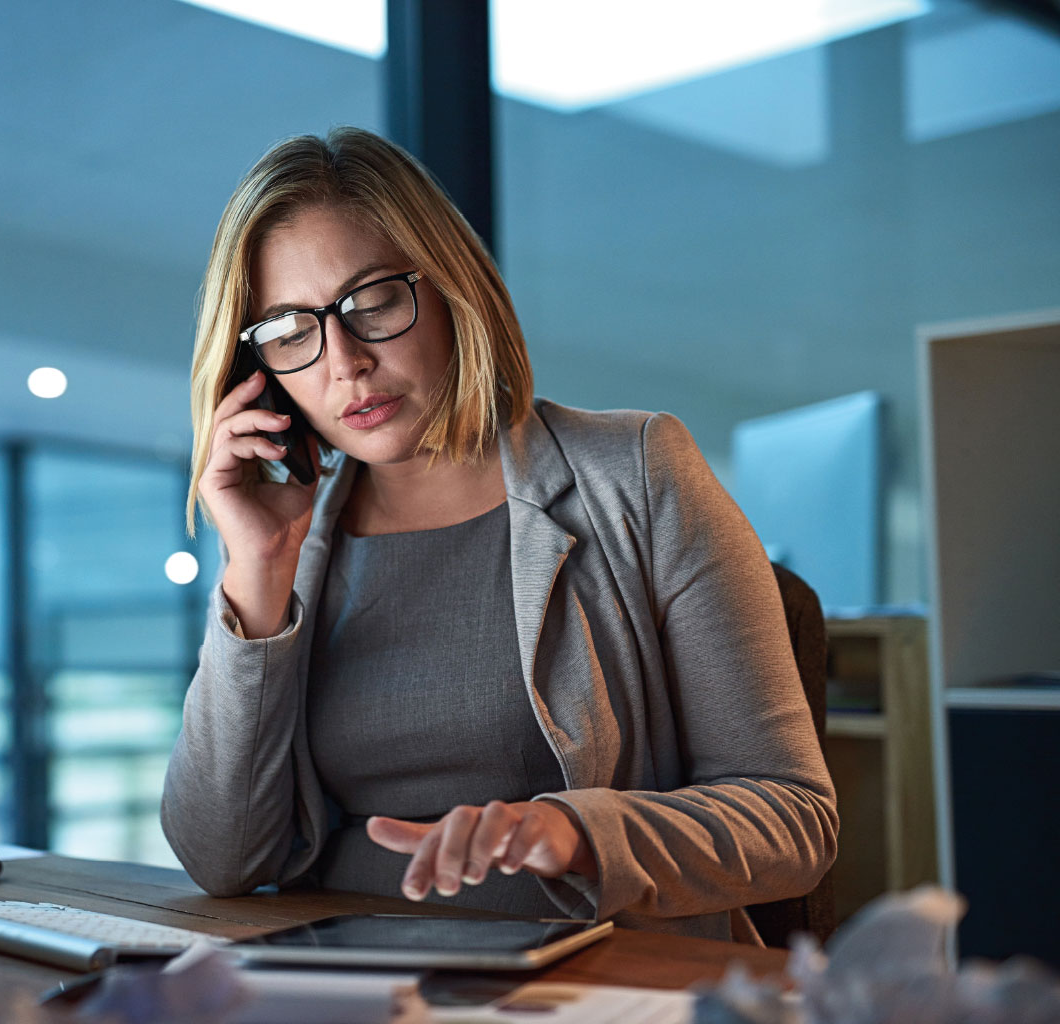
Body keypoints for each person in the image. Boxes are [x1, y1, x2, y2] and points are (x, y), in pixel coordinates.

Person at [161, 126, 836, 944]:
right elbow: (222, 858)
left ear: (451, 288)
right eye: (290, 331)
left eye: (372, 303)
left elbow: (794, 819)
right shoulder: (290, 542)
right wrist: (257, 569)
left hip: (589, 980)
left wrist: (578, 833)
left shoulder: (639, 471)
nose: (343, 363)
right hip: (348, 979)